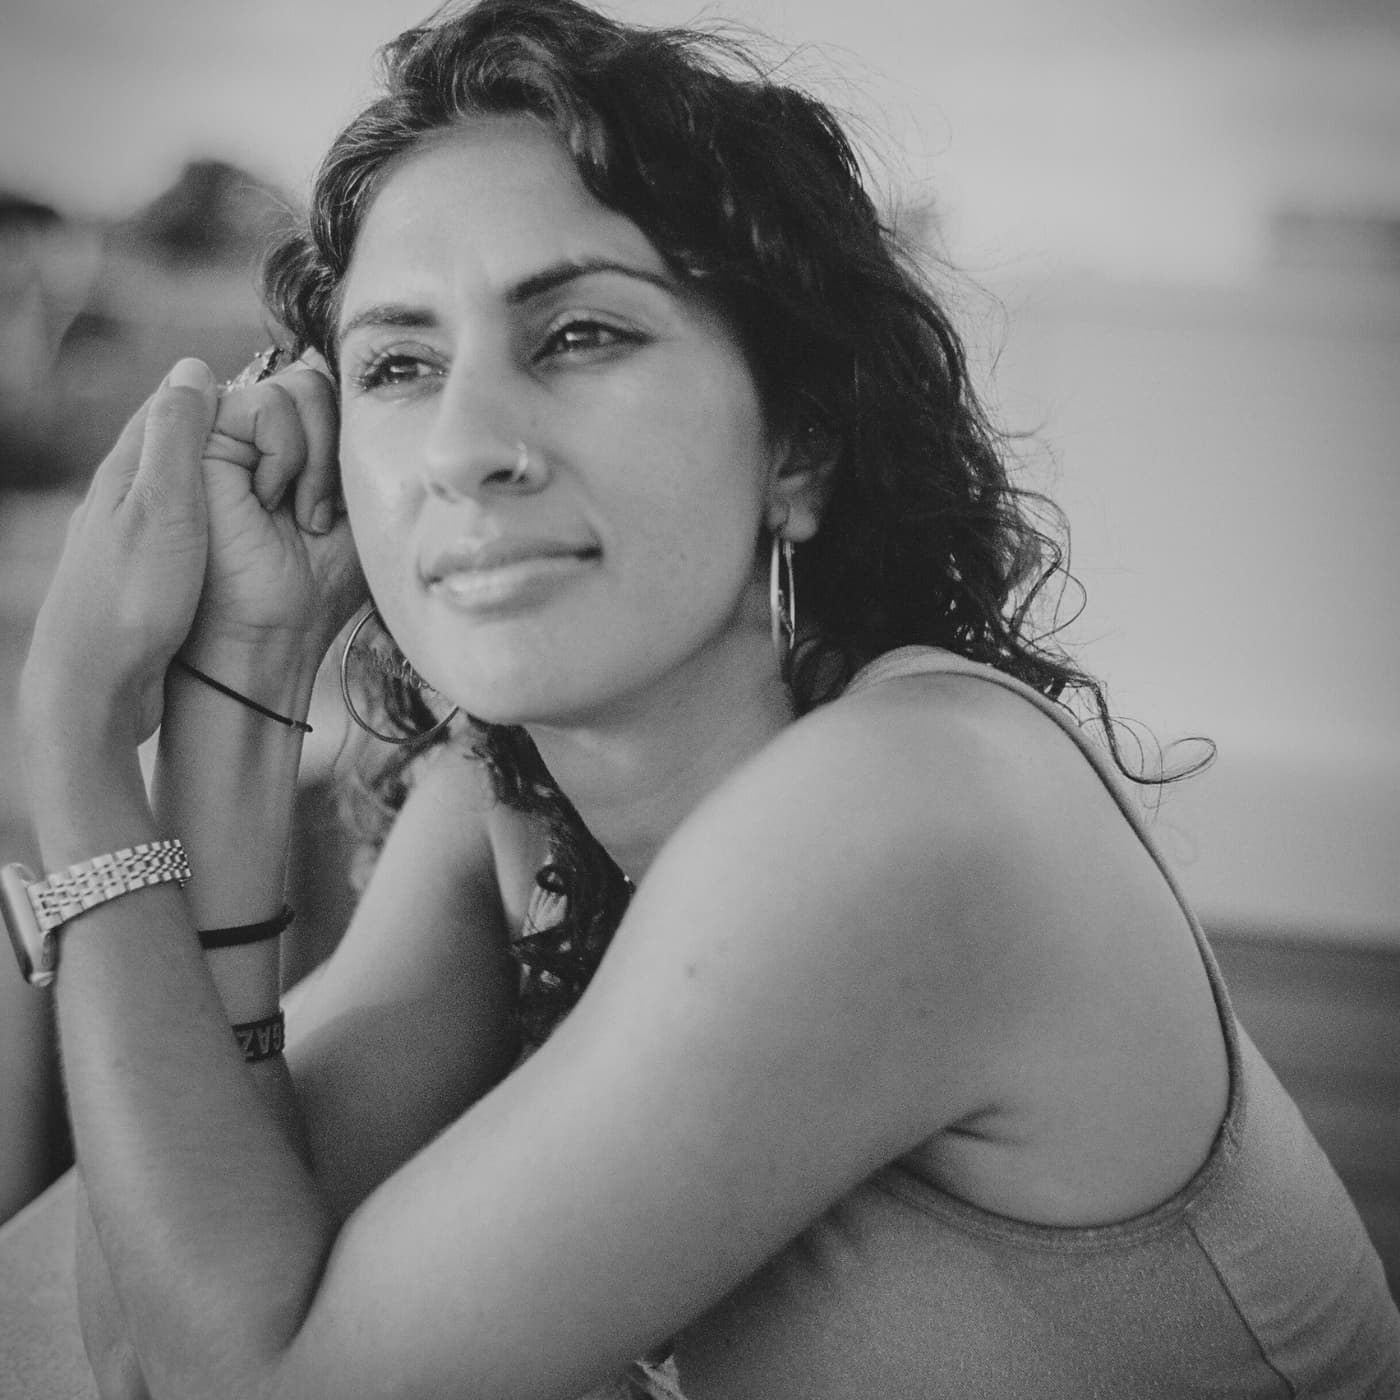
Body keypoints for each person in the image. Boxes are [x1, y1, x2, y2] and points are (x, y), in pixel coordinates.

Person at [5, 1, 1397, 1396]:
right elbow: (152, 1341)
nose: (467, 448)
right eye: (399, 365)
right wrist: (242, 669)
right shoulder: (510, 814)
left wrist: (74, 743)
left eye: (582, 335)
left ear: (796, 443)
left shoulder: (907, 817)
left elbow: (239, 1386)